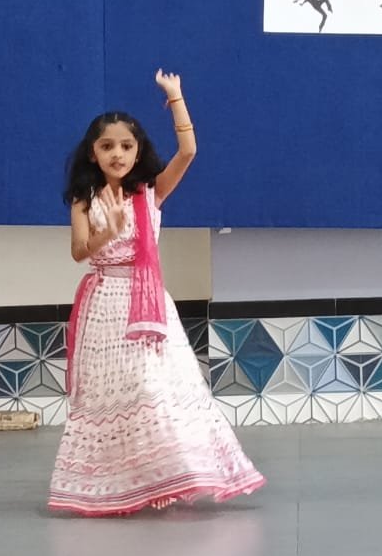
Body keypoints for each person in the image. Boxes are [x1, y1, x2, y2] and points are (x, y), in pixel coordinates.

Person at [49, 69, 266, 516]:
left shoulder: (150, 193)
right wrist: (107, 232)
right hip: (104, 305)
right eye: (107, 146)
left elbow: (188, 151)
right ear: (92, 153)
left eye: (126, 146)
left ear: (138, 151)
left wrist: (176, 96)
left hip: (148, 305)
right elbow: (78, 252)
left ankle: (169, 475)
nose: (117, 154)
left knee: (156, 388)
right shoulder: (84, 199)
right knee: (113, 396)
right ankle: (116, 486)